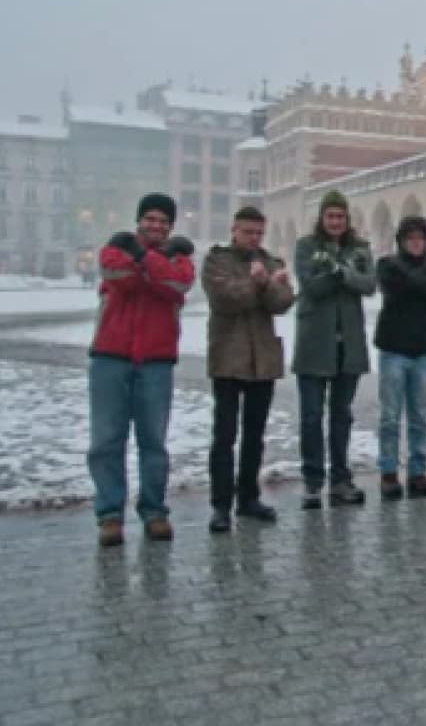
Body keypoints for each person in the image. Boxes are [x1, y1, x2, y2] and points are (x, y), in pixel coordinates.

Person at [88, 193, 195, 547]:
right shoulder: (112, 249)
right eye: (150, 219)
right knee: (106, 441)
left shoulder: (180, 258)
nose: (156, 226)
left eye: (163, 221)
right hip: (110, 356)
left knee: (154, 441)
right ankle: (110, 515)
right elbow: (121, 277)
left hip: (156, 361)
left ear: (170, 227)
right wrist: (151, 264)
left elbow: (175, 284)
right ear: (139, 221)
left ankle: (154, 510)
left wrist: (141, 258)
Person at [202, 206, 295, 533]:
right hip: (228, 358)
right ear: (234, 230)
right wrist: (258, 284)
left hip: (263, 361)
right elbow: (224, 299)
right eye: (248, 232)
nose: (254, 238)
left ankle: (248, 498)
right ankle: (221, 505)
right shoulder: (217, 260)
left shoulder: (272, 262)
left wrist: (267, 284)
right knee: (224, 436)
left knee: (254, 435)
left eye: (259, 233)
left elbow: (283, 302)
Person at [293, 190, 376, 510]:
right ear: (322, 218)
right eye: (330, 216)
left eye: (340, 216)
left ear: (347, 218)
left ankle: (340, 479)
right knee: (312, 417)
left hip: (349, 346)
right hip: (315, 343)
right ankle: (312, 481)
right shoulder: (306, 246)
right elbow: (311, 286)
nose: (336, 222)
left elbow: (369, 284)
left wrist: (340, 272)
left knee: (341, 416)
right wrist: (343, 275)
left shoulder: (360, 248)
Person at [375, 215, 426, 500]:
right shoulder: (386, 265)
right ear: (402, 241)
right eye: (410, 239)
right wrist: (422, 285)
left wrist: (410, 281)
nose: (416, 243)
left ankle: (418, 471)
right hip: (393, 351)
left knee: (419, 417)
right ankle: (389, 471)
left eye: (420, 239)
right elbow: (392, 290)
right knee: (390, 416)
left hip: (423, 353)